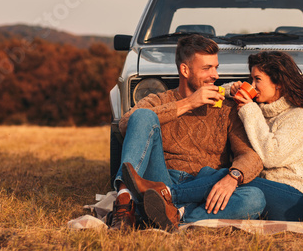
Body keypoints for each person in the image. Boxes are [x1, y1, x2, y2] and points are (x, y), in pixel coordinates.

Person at [109, 34, 265, 231]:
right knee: (142, 116)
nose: (215, 75)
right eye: (207, 68)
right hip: (159, 180)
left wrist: (233, 177)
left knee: (255, 198)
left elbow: (250, 155)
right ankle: (126, 203)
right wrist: (189, 103)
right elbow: (125, 124)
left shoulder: (226, 108)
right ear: (185, 69)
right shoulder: (160, 99)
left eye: (216, 67)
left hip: (203, 187)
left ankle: (170, 214)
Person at [225, 51, 303, 222]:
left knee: (224, 178)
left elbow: (271, 156)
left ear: (278, 83)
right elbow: (223, 92)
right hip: (270, 194)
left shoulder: (300, 117)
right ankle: (182, 212)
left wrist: (249, 109)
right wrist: (234, 89)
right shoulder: (261, 113)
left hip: (299, 201)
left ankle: (173, 194)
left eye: (258, 79)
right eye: (251, 80)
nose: (253, 85)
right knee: (220, 183)